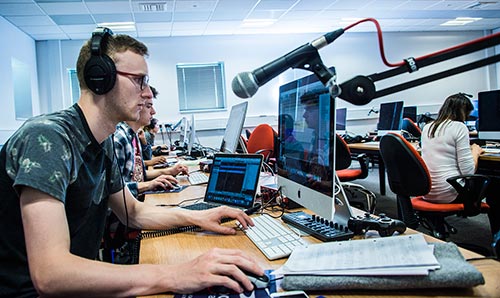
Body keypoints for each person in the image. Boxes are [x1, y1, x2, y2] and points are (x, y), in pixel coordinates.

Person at [0, 29, 261, 297]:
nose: (147, 93)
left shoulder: (103, 142)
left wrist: (200, 217)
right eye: (140, 81)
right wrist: (175, 273)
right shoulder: (48, 138)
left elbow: (133, 213)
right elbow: (50, 274)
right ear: (101, 78)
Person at [421, 92, 500, 237]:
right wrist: (475, 152)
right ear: (462, 112)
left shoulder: (428, 127)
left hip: (427, 191)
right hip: (449, 192)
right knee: (495, 186)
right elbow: (468, 170)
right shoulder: (459, 127)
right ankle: (497, 236)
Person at [114, 86, 187, 198]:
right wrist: (148, 185)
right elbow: (114, 192)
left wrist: (170, 171)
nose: (153, 112)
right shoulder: (119, 140)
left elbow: (140, 175)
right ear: (134, 107)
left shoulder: (134, 136)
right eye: (149, 106)